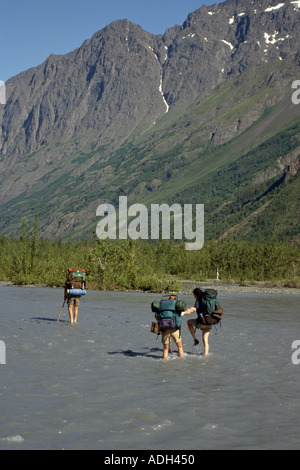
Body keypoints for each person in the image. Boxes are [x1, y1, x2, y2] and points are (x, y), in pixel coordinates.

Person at [182, 288, 211, 356]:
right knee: (205, 341)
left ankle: (195, 339)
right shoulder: (208, 300)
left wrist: (183, 313)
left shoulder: (198, 300)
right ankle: (206, 356)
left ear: (195, 295)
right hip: (209, 321)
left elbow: (194, 309)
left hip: (201, 322)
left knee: (189, 322)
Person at [155, 295, 185, 359]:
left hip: (164, 328)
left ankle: (164, 364)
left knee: (165, 349)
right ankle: (181, 363)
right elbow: (181, 314)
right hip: (175, 329)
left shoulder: (162, 306)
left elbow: (157, 316)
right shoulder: (176, 306)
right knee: (180, 348)